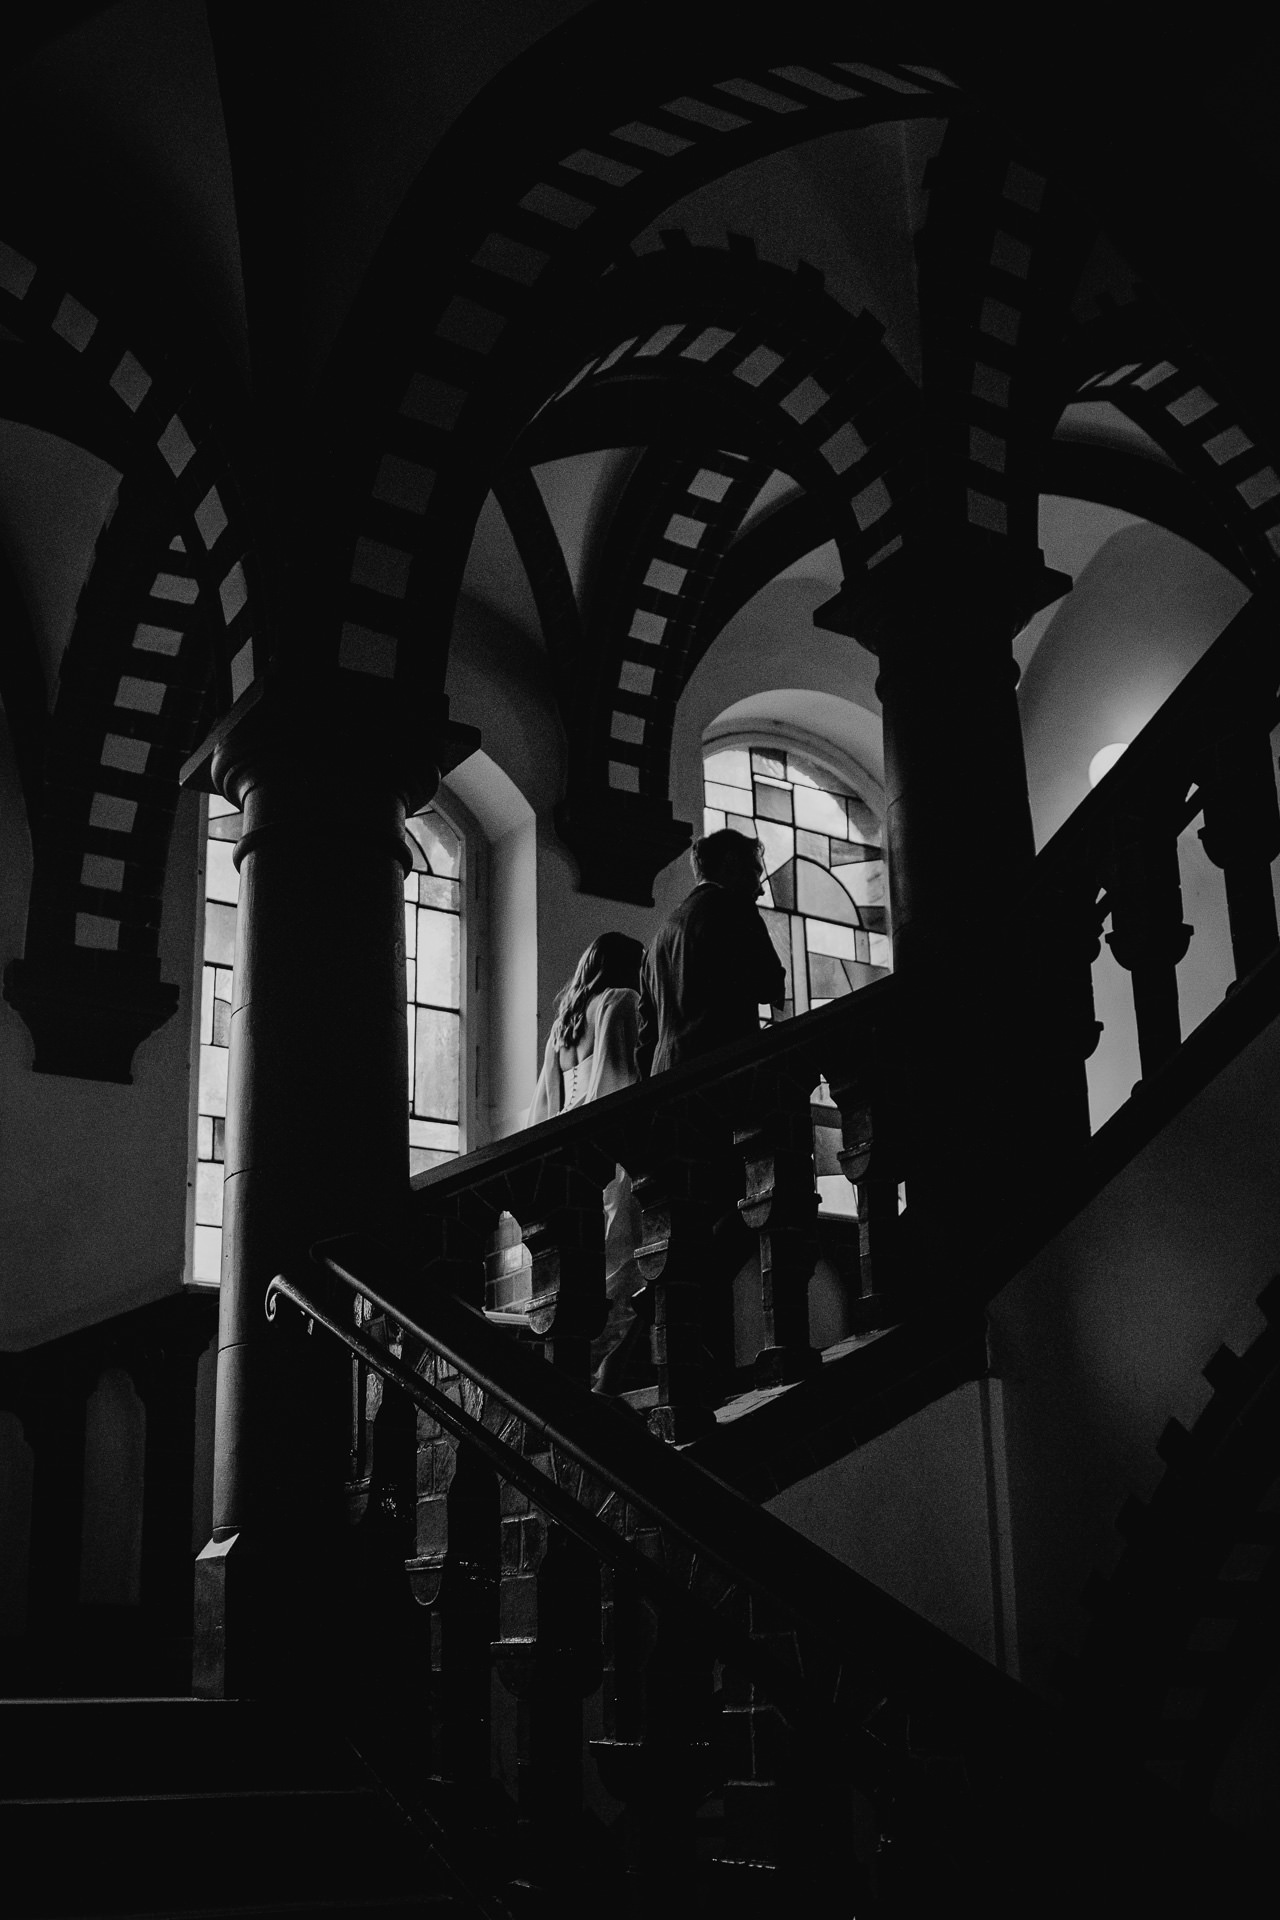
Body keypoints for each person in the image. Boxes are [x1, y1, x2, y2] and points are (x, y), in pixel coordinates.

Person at [527, 932, 647, 1390]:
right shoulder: (621, 1000)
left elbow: (547, 1107)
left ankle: (585, 1371)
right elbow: (623, 1082)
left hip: (569, 1161)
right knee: (627, 1261)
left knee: (588, 1266)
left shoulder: (564, 1028)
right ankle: (605, 1370)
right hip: (610, 1154)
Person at [637, 828, 786, 1076]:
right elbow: (769, 984)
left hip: (662, 1085)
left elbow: (645, 1039)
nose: (760, 889)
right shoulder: (735, 907)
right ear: (730, 862)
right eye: (755, 872)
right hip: (717, 1077)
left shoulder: (657, 941)